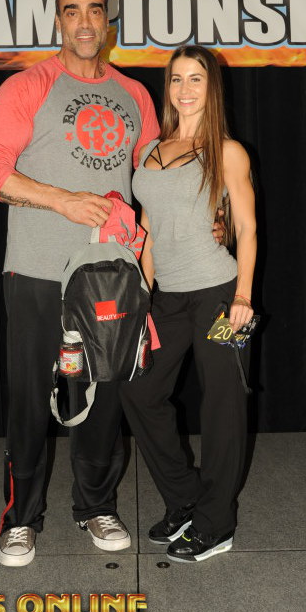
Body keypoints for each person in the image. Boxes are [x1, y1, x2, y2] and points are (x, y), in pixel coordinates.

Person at [0, 0, 160, 566]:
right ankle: (20, 520)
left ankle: (96, 506)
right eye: (72, 11)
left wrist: (199, 222)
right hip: (37, 268)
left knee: (103, 393)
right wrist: (64, 201)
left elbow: (152, 181)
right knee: (31, 398)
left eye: (95, 10)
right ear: (58, 20)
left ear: (108, 20)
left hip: (111, 273)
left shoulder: (134, 94)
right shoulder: (27, 87)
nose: (84, 22)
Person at [120, 44, 257, 564]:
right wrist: (141, 296)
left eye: (195, 78)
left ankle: (216, 524)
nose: (185, 88)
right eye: (176, 79)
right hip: (168, 297)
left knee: (223, 407)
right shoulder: (151, 151)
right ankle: (185, 498)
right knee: (138, 389)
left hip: (220, 295)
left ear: (211, 87)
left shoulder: (227, 151)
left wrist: (243, 296)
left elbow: (246, 228)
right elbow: (149, 232)